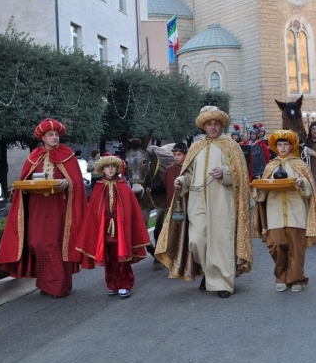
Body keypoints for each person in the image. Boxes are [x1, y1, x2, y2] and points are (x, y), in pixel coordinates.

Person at [155, 105, 252, 299]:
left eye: (216, 124)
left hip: (222, 202)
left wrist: (225, 173)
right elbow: (189, 173)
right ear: (204, 126)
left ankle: (222, 281)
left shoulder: (231, 146)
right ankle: (208, 273)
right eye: (209, 124)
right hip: (197, 202)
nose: (213, 127)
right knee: (197, 241)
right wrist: (181, 181)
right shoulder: (196, 147)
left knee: (221, 242)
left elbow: (240, 175)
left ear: (221, 125)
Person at [0, 118, 88, 298]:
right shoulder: (34, 156)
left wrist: (66, 182)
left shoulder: (67, 154)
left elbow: (76, 181)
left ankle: (58, 286)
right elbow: (25, 180)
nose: (55, 138)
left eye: (56, 135)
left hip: (58, 208)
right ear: (43, 137)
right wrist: (25, 188)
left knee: (54, 245)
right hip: (38, 208)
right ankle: (46, 282)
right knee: (35, 243)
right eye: (50, 135)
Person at [253, 130, 316, 292]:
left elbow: (309, 191)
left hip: (296, 213)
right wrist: (259, 186)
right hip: (275, 214)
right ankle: (281, 276)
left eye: (286, 144)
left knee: (296, 247)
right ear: (275, 147)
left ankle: (296, 279)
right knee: (276, 245)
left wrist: (302, 184)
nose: (283, 147)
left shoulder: (300, 165)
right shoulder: (270, 166)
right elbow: (261, 197)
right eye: (280, 144)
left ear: (291, 146)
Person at [76, 156, 150, 299]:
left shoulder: (123, 186)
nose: (110, 169)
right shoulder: (98, 187)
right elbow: (93, 211)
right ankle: (112, 284)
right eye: (107, 166)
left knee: (121, 257)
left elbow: (130, 210)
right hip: (104, 230)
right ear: (102, 169)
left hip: (120, 229)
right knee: (109, 258)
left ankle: (124, 284)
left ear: (117, 168)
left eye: (113, 166)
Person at [152, 142, 188, 271]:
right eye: (175, 155)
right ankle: (175, 260)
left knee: (187, 235)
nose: (177, 157)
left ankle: (188, 261)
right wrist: (151, 189)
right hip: (172, 207)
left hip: (188, 207)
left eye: (179, 154)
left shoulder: (190, 168)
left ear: (186, 154)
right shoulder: (169, 170)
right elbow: (164, 186)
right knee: (174, 235)